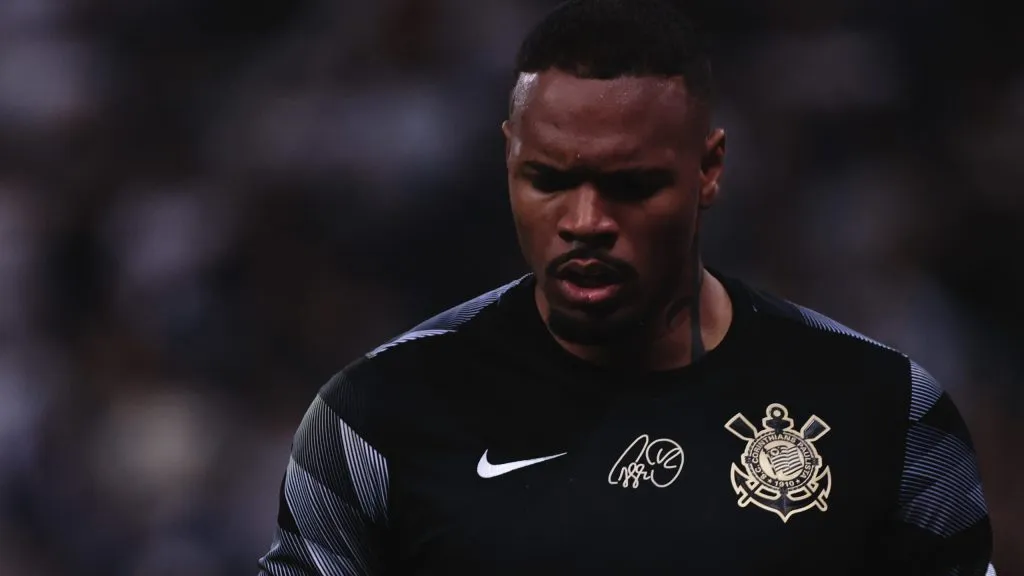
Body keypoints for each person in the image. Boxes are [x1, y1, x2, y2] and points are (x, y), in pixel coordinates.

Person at [257, 0, 995, 573]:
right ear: (508, 159)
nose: (585, 222)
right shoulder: (374, 420)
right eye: (547, 180)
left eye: (631, 186)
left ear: (708, 171)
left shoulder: (884, 412)